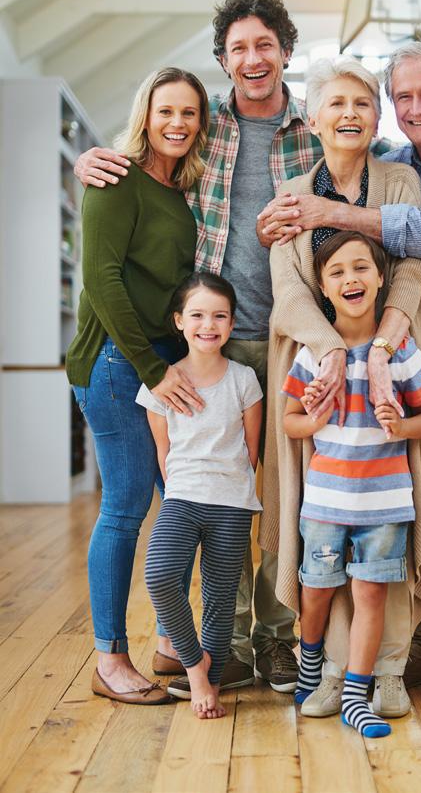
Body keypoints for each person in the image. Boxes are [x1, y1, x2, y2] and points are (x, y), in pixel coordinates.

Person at [73, 0, 421, 699]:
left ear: (286, 52)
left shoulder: (330, 137)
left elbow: (402, 193)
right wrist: (95, 159)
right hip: (225, 340)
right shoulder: (201, 123)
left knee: (348, 501)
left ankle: (346, 648)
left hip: (343, 346)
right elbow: (152, 146)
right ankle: (220, 642)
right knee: (229, 500)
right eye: (239, 48)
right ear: (224, 59)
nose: (253, 58)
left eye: (266, 45)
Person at [260, 42, 421, 711]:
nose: (414, 107)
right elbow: (292, 285)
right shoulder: (398, 162)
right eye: (401, 98)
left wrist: (377, 341)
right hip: (387, 358)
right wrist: (337, 353)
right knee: (414, 513)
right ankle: (412, 650)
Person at [65, 67, 210, 704]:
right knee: (125, 508)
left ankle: (172, 643)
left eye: (189, 114)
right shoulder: (113, 178)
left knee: (179, 504)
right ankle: (109, 658)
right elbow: (101, 280)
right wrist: (154, 370)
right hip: (116, 363)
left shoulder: (184, 190)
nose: (177, 124)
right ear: (145, 115)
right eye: (166, 111)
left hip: (163, 362)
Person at [284, 231, 421, 738]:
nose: (350, 278)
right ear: (324, 290)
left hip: (387, 504)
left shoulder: (401, 352)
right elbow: (289, 422)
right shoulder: (312, 356)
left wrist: (400, 425)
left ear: (379, 279)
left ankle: (355, 693)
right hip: (325, 503)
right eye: (337, 273)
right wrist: (314, 415)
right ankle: (310, 666)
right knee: (318, 594)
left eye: (360, 268)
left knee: (371, 596)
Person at [139, 273, 262, 720]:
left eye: (219, 316)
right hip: (183, 499)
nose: (208, 325)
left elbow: (252, 449)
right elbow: (163, 451)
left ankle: (210, 679)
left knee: (220, 595)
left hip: (230, 502)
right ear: (178, 321)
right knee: (159, 575)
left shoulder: (245, 379)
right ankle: (195, 667)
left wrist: (231, 485)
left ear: (231, 324)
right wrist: (183, 487)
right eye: (197, 315)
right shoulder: (162, 384)